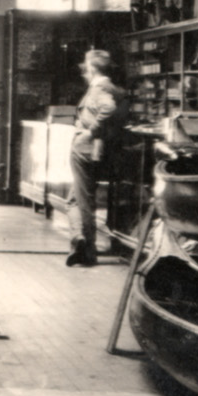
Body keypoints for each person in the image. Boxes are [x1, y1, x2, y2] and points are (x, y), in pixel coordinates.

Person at [66, 48, 128, 266]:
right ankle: (79, 240)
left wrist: (91, 130)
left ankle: (85, 247)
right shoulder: (113, 88)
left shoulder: (98, 87)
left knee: (81, 201)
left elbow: (107, 108)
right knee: (76, 199)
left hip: (84, 148)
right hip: (98, 150)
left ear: (91, 67)